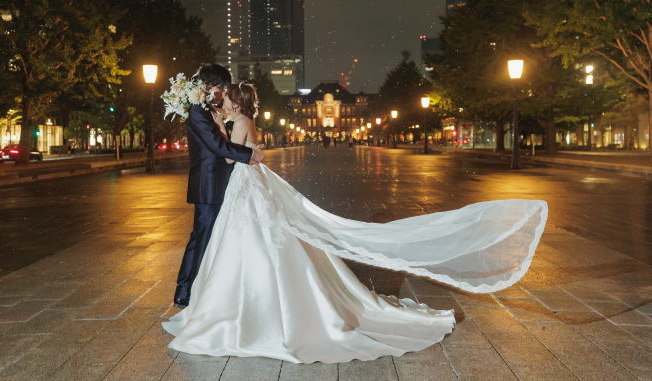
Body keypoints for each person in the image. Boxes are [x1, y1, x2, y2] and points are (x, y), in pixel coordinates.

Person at [163, 82, 547, 363]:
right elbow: (247, 152)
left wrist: (225, 142)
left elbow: (234, 156)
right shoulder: (242, 120)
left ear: (239, 102)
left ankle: (239, 306)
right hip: (247, 187)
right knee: (261, 238)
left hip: (244, 185)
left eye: (227, 100)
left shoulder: (239, 121)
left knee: (249, 240)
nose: (224, 103)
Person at [173, 64, 264, 308]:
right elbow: (218, 147)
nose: (222, 92)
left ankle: (190, 288)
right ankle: (186, 291)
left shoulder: (206, 110)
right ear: (208, 85)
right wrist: (249, 153)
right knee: (202, 238)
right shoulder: (198, 112)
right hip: (208, 182)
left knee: (205, 237)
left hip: (216, 181)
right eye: (221, 87)